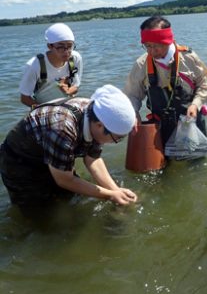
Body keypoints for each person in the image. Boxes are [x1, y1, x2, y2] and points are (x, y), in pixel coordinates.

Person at [0, 84, 138, 213]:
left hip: (51, 155)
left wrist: (116, 190)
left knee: (71, 200)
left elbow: (92, 158)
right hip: (19, 163)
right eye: (117, 138)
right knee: (39, 214)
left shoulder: (97, 115)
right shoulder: (62, 128)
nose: (116, 142)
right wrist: (110, 195)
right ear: (100, 125)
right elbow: (65, 180)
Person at [123, 15, 207, 145]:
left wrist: (196, 104)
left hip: (191, 118)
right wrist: (134, 113)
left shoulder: (188, 58)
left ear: (168, 40)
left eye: (157, 45)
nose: (152, 51)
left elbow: (206, 85)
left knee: (197, 158)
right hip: (161, 123)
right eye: (147, 46)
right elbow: (132, 95)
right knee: (162, 162)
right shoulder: (141, 64)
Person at [19, 22, 83, 108]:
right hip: (43, 107)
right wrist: (46, 110)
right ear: (49, 46)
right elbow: (24, 98)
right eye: (60, 47)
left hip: (67, 105)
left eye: (70, 46)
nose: (66, 51)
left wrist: (68, 91)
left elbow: (75, 86)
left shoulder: (75, 58)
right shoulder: (34, 65)